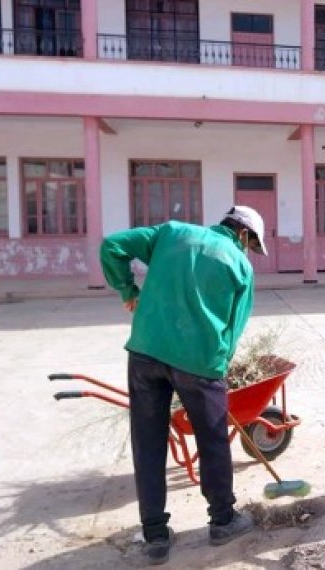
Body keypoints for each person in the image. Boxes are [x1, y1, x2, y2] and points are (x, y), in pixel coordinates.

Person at [99, 205, 267, 565]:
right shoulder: (240, 265)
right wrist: (218, 370)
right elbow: (233, 330)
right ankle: (223, 520)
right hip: (199, 365)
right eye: (251, 244)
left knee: (148, 443)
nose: (248, 251)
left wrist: (127, 290)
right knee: (213, 442)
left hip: (145, 352)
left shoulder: (171, 232)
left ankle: (155, 536)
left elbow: (112, 245)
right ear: (244, 234)